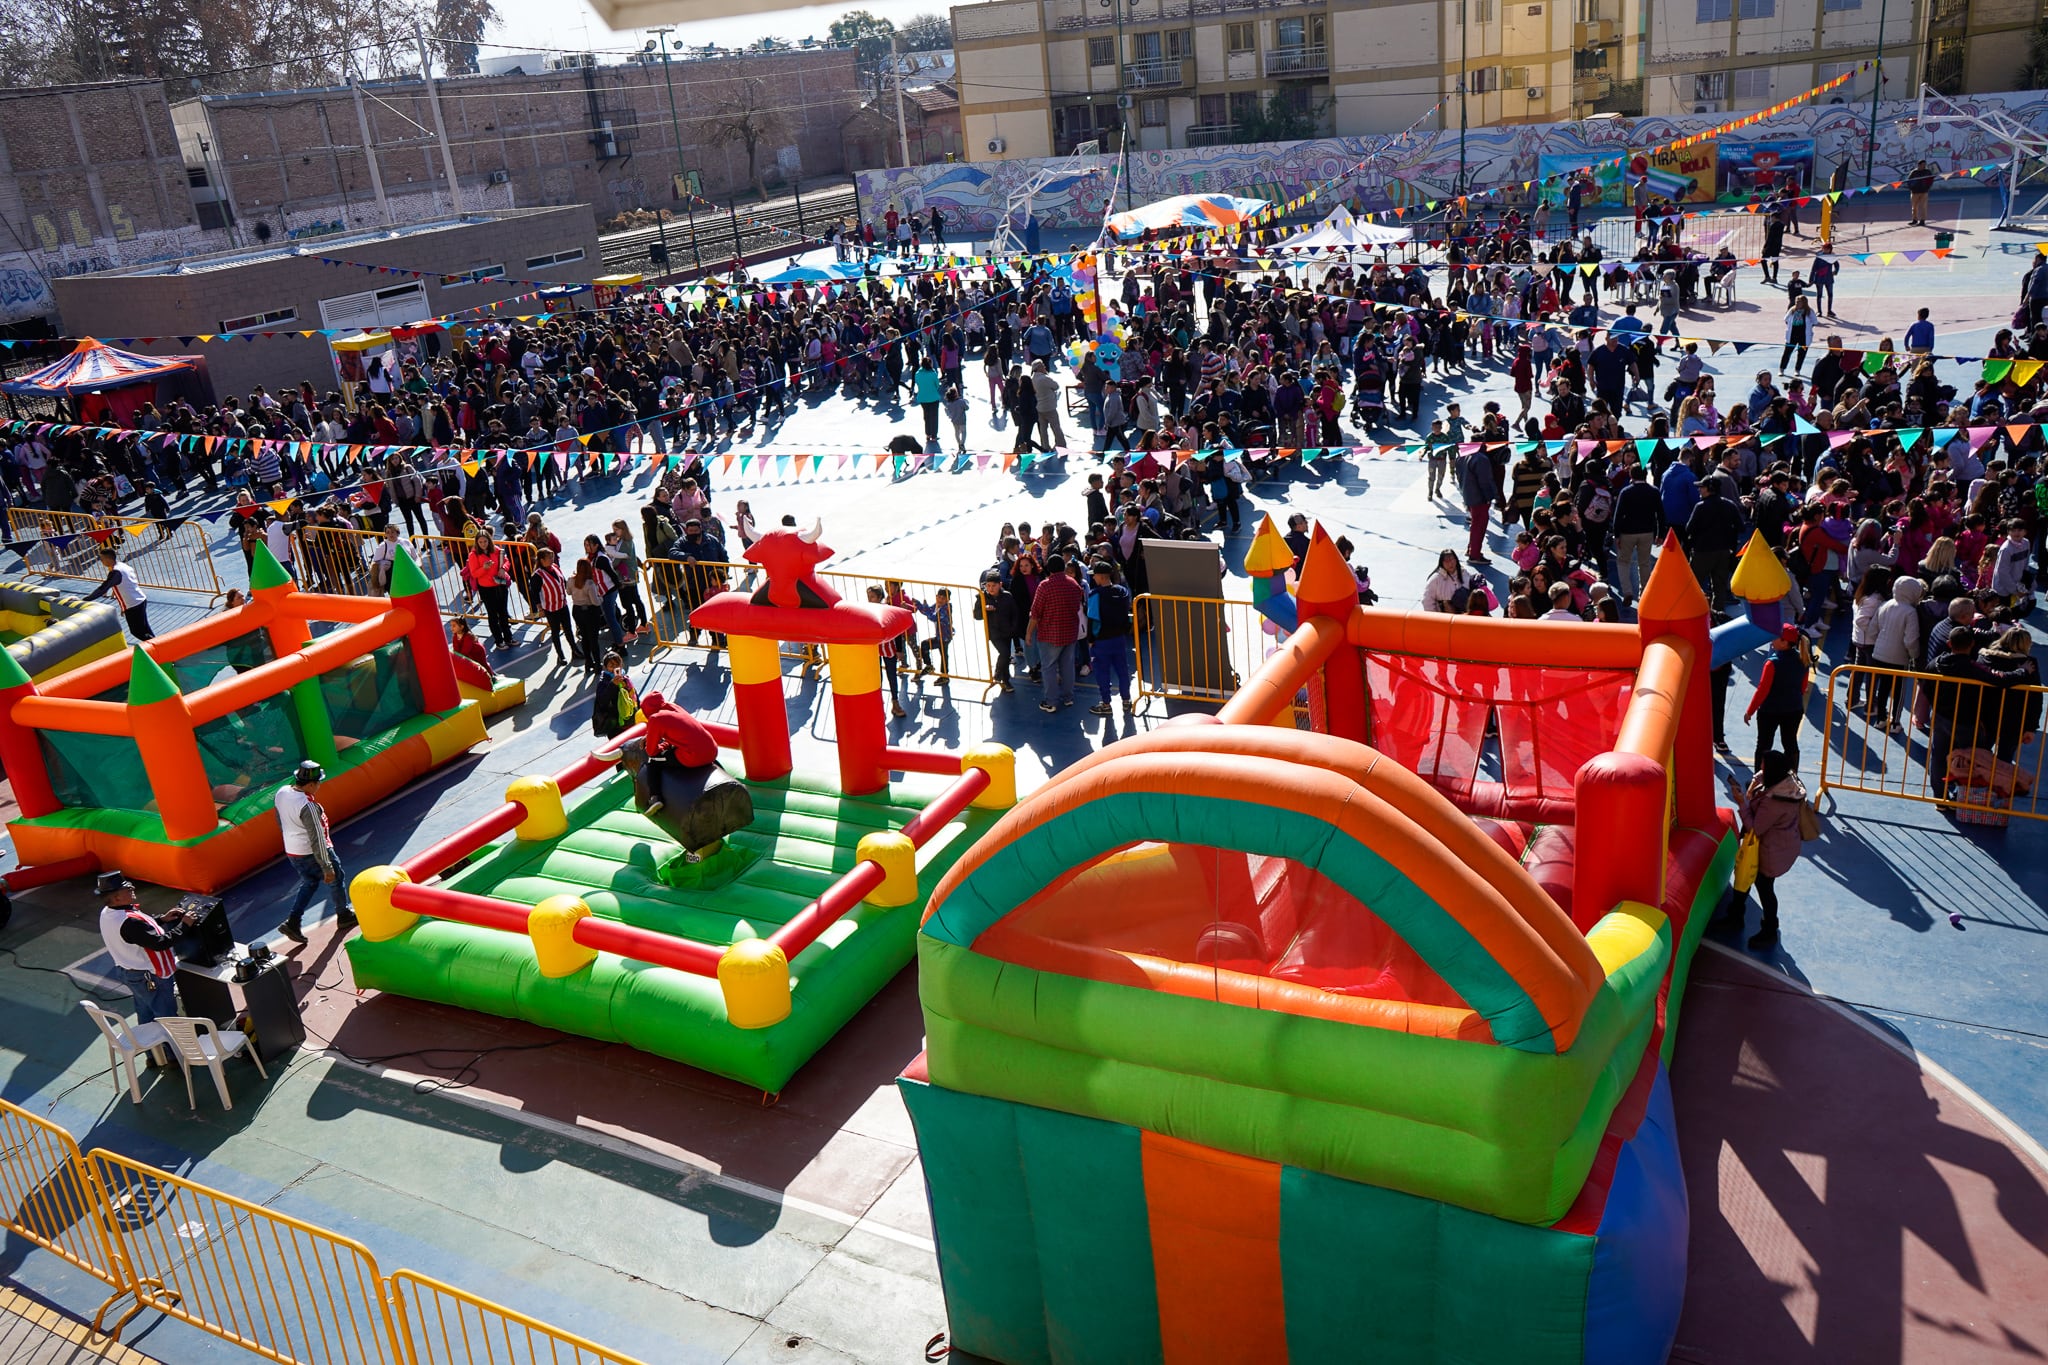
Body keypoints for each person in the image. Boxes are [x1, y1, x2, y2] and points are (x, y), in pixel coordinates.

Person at [1726, 750, 1807, 952]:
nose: (1760, 768)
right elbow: (1761, 776)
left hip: (1771, 852)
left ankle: (1769, 929)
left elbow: (1756, 827)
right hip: (1779, 845)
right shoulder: (1785, 781)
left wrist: (1741, 803)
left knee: (1763, 886)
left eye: (1763, 764)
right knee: (1745, 877)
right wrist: (1754, 782)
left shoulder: (1775, 803)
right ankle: (1735, 916)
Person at [274, 760, 353, 944]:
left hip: (294, 851)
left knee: (309, 882)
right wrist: (326, 866)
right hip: (311, 852)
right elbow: (317, 839)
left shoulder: (282, 792)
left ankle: (293, 921)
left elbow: (278, 817)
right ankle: (344, 914)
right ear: (310, 784)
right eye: (318, 782)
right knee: (336, 878)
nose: (319, 785)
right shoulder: (308, 806)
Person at [97, 870, 182, 1027]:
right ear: (117, 898)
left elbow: (137, 933)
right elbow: (160, 943)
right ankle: (171, 1050)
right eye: (127, 889)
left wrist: (161, 919)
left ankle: (153, 1049)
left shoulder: (108, 913)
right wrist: (185, 925)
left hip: (130, 973)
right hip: (148, 976)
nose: (132, 887)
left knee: (146, 1013)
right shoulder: (130, 921)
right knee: (167, 1017)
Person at [1744, 624, 1811, 775]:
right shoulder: (1803, 659)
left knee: (1763, 745)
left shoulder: (1771, 663)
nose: (1772, 640)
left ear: (1784, 642)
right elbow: (1803, 687)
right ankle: (1792, 778)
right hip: (1793, 709)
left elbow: (1762, 690)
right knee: (1790, 744)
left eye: (1775, 638)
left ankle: (1759, 779)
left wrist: (1750, 711)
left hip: (1770, 711)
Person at [1027, 553, 1085, 713]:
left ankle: (1051, 701)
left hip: (1050, 634)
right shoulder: (1074, 584)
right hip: (1070, 633)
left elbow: (1035, 613)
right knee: (1067, 666)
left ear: (1048, 568)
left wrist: (1028, 633)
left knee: (1049, 668)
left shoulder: (1045, 586)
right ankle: (1068, 698)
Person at [1086, 560, 1134, 719]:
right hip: (1119, 639)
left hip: (1101, 641)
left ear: (1100, 576)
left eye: (1095, 576)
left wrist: (1091, 639)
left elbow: (1092, 618)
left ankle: (1106, 704)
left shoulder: (1095, 594)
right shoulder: (1122, 591)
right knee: (1122, 670)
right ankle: (1126, 700)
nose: (1093, 579)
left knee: (1102, 673)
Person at [85, 546, 153, 641]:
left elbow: (102, 589)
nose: (101, 561)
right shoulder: (123, 566)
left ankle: (157, 648)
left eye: (102, 559)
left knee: (136, 631)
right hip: (139, 600)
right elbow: (124, 585)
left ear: (108, 559)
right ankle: (157, 646)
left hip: (133, 605)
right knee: (145, 629)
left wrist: (85, 600)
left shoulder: (115, 572)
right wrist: (123, 606)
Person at [466, 528, 515, 650]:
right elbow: (475, 573)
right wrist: (484, 568)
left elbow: (506, 561)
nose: (483, 544)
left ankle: (509, 638)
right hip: (487, 589)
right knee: (493, 615)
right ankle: (499, 641)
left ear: (489, 540)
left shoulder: (496, 550)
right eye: (480, 542)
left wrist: (503, 568)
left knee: (503, 613)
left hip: (500, 585)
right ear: (477, 542)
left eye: (485, 541)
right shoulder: (473, 555)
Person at [592, 650, 639, 739]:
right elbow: (602, 702)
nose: (615, 667)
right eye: (611, 666)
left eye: (617, 664)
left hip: (630, 720)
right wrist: (612, 685)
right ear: (606, 667)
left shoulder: (626, 678)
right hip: (615, 725)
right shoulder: (603, 683)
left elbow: (634, 696)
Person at [1906, 159, 1936, 226]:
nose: (1924, 166)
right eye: (1923, 165)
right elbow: (1909, 181)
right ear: (1919, 165)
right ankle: (1914, 220)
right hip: (1915, 192)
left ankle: (1922, 220)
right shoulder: (1914, 172)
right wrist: (1912, 188)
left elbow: (1931, 180)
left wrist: (1927, 187)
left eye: (1925, 165)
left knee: (1923, 207)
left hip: (1924, 192)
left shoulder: (1927, 172)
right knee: (1914, 207)